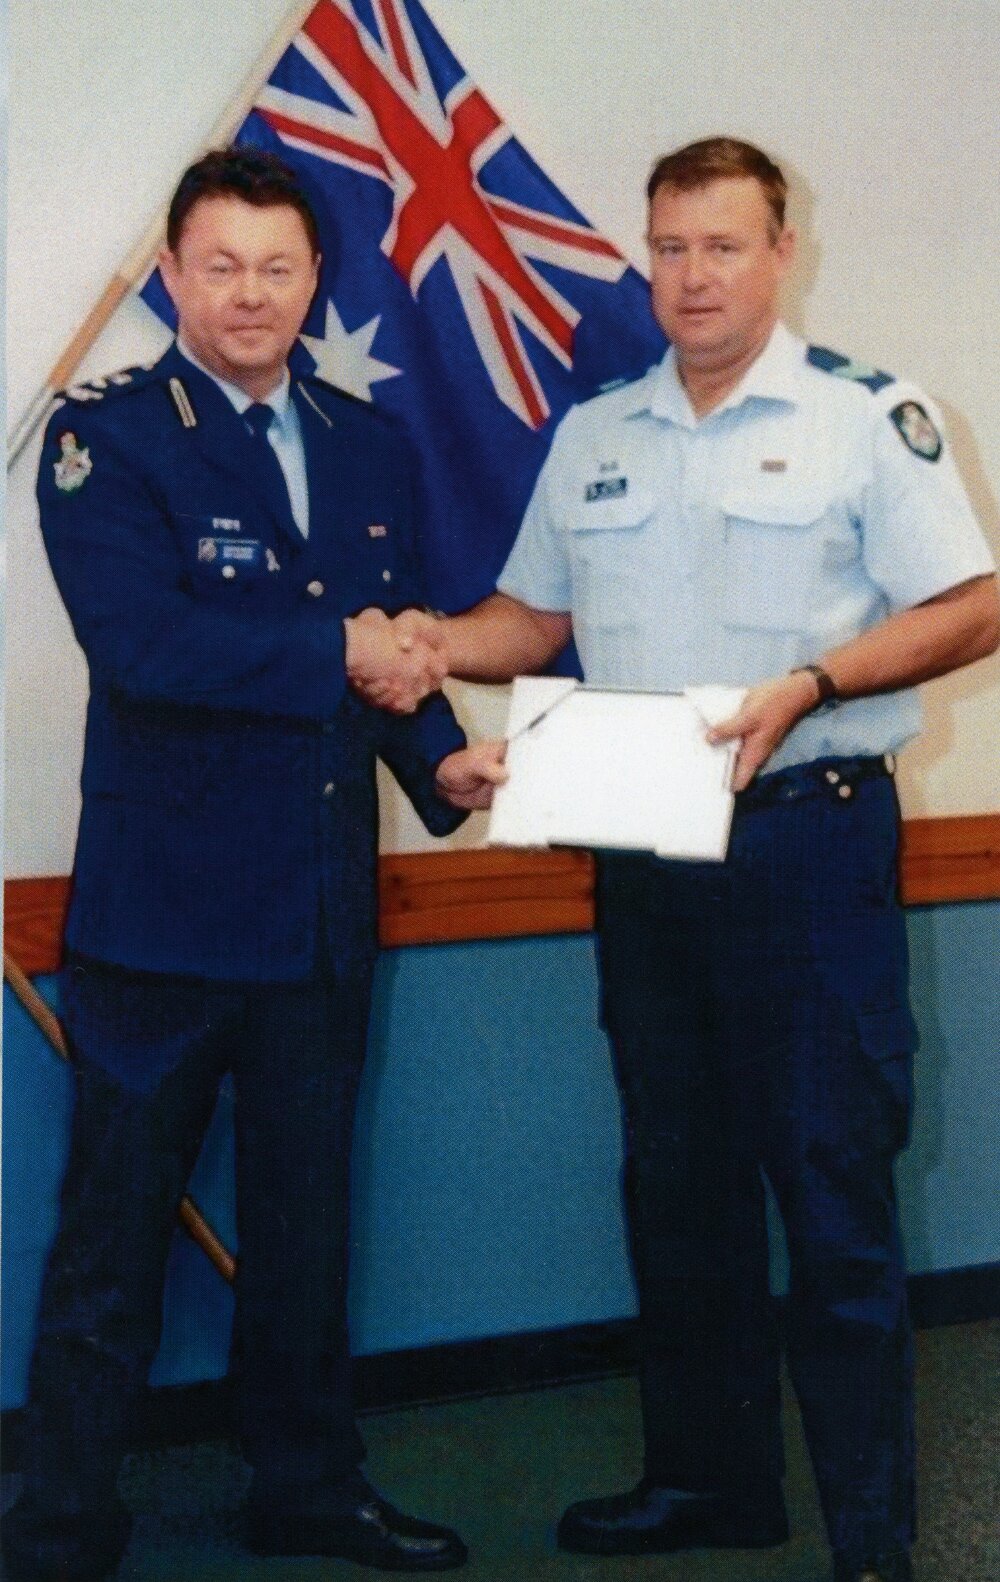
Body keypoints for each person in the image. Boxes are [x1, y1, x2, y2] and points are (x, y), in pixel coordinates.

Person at [408, 139, 1000, 1582]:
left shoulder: (872, 415)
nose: (689, 276)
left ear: (780, 248)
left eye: (720, 247)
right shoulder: (599, 432)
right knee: (675, 1184)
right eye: (669, 247)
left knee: (832, 1186)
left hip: (807, 846)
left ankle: (872, 1537)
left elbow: (975, 604)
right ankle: (713, 1482)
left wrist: (813, 677)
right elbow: (530, 623)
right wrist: (426, 645)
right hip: (649, 858)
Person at [2, 147, 474, 1580]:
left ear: (314, 279)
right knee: (112, 1241)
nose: (252, 294)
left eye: (279, 268)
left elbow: (385, 634)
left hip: (319, 911)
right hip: (163, 922)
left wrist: (443, 758)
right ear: (175, 273)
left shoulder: (364, 439)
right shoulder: (111, 439)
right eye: (223, 266)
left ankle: (309, 1488)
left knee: (304, 1227)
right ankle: (64, 1519)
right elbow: (148, 647)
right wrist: (343, 651)